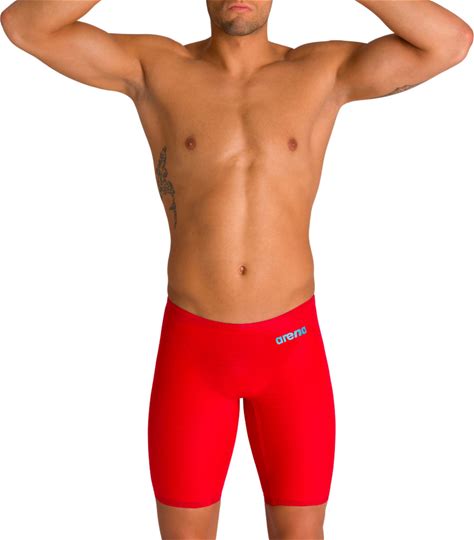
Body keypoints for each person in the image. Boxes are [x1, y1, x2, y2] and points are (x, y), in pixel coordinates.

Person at [1, 1, 472, 538]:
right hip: (194, 351)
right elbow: (23, 26)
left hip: (291, 350)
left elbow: (451, 42)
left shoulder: (320, 72)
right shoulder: (158, 68)